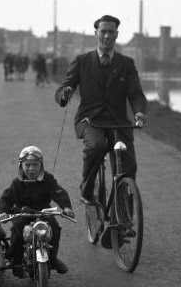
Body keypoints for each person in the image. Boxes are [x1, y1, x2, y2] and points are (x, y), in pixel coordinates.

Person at [54, 14, 147, 204]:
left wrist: (139, 112)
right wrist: (65, 93)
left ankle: (125, 219)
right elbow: (62, 89)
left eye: (111, 32)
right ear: (96, 33)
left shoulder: (126, 64)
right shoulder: (82, 61)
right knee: (97, 146)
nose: (107, 36)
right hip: (90, 121)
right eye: (103, 32)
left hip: (118, 123)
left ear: (117, 35)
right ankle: (86, 190)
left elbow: (136, 93)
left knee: (127, 168)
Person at [0, 146, 75, 276]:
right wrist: (3, 211)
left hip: (43, 212)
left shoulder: (48, 179)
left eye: (35, 164)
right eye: (27, 165)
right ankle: (16, 261)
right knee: (17, 231)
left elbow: (59, 192)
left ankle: (52, 257)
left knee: (55, 229)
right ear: (21, 165)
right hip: (22, 212)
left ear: (41, 165)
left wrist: (66, 207)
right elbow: (7, 197)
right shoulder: (17, 183)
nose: (31, 168)